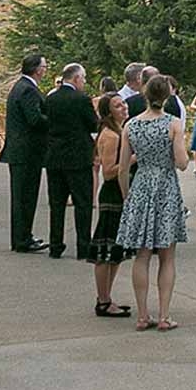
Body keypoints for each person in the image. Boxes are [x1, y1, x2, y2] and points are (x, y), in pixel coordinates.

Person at [116, 74, 190, 331]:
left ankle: (142, 315)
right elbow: (182, 163)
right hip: (166, 186)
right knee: (167, 256)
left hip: (141, 185)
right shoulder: (174, 124)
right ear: (167, 96)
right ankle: (165, 315)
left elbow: (123, 167)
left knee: (142, 254)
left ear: (145, 95)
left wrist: (127, 195)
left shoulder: (130, 125)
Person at [45, 63, 99, 259]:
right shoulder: (82, 99)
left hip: (55, 157)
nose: (84, 83)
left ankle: (55, 245)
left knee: (57, 204)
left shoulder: (50, 99)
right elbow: (93, 123)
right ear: (76, 78)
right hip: (78, 158)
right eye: (83, 79)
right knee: (83, 204)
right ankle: (83, 246)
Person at [87, 94, 133, 318]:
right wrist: (131, 159)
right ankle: (103, 299)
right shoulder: (111, 136)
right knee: (105, 250)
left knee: (115, 250)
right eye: (118, 105)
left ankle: (107, 297)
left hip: (120, 194)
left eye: (123, 103)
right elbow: (108, 170)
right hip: (112, 195)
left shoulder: (120, 131)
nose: (123, 107)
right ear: (108, 112)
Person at [5, 53, 50, 252]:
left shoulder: (21, 87)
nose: (46, 69)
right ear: (37, 69)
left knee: (21, 196)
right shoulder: (28, 90)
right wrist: (55, 120)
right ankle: (23, 238)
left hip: (21, 151)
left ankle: (21, 237)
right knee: (26, 197)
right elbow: (35, 119)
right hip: (27, 151)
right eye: (44, 66)